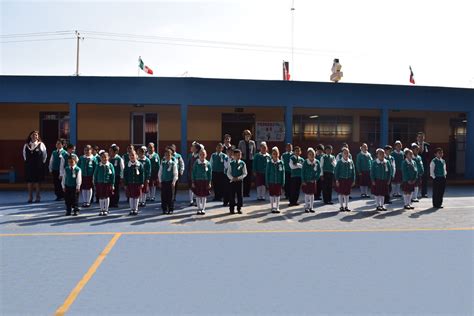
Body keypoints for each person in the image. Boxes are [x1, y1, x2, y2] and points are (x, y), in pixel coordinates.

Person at [23, 130, 47, 203]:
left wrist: (41, 163)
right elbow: (24, 155)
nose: (35, 136)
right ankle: (30, 197)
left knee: (37, 182)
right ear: (30, 136)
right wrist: (28, 163)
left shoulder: (41, 144)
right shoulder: (26, 145)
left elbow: (45, 155)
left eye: (36, 135)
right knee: (29, 182)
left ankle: (38, 197)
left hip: (38, 167)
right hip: (29, 166)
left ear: (38, 136)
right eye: (33, 135)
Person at [93, 151, 115, 216]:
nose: (104, 158)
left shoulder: (110, 165)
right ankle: (101, 209)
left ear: (108, 157)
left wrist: (112, 184)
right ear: (100, 158)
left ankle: (106, 209)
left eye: (105, 157)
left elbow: (112, 175)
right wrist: (95, 183)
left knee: (106, 196)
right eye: (102, 157)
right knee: (101, 197)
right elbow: (95, 174)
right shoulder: (98, 165)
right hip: (100, 183)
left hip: (107, 183)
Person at [123, 150, 144, 215]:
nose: (132, 156)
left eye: (133, 155)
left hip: (137, 183)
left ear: (136, 156)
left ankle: (136, 209)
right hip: (130, 183)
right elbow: (125, 175)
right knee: (131, 196)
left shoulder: (139, 164)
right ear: (129, 156)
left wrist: (142, 182)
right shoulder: (127, 165)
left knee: (136, 196)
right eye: (130, 155)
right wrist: (125, 183)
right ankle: (131, 209)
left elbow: (142, 174)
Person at [192, 149, 212, 215]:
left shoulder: (208, 163)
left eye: (203, 154)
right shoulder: (196, 163)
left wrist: (209, 182)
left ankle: (203, 209)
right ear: (198, 155)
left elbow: (210, 174)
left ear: (206, 155)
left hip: (205, 181)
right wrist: (193, 182)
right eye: (200, 154)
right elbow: (193, 173)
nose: (202, 155)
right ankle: (199, 208)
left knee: (204, 196)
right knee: (197, 195)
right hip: (197, 181)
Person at [226, 149, 248, 214]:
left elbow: (245, 173)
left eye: (240, 155)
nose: (238, 156)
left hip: (239, 181)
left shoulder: (242, 163)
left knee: (239, 195)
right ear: (234, 155)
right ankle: (231, 208)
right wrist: (232, 178)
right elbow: (228, 173)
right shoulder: (231, 163)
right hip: (232, 181)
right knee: (232, 195)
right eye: (237, 155)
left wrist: (239, 178)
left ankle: (239, 208)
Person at [334, 147, 356, 212]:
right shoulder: (339, 162)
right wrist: (337, 180)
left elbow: (353, 171)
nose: (346, 154)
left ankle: (346, 206)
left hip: (348, 180)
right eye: (344, 153)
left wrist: (353, 180)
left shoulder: (351, 162)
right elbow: (336, 172)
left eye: (347, 153)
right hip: (341, 180)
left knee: (347, 193)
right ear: (342, 154)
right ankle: (341, 206)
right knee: (340, 193)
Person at [158, 148, 178, 214]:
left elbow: (175, 173)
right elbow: (160, 173)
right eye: (166, 155)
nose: (167, 156)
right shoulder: (163, 163)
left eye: (169, 155)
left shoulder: (173, 164)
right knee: (163, 196)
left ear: (171, 156)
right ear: (164, 156)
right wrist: (160, 181)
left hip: (170, 182)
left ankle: (171, 209)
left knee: (170, 196)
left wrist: (174, 182)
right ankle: (164, 209)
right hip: (164, 182)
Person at [265, 146, 285, 213]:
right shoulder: (269, 163)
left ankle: (277, 207)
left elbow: (283, 173)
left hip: (278, 182)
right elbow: (267, 173)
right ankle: (272, 207)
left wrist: (283, 181)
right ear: (271, 155)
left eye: (276, 153)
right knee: (272, 195)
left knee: (278, 195)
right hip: (271, 181)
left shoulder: (281, 163)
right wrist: (267, 182)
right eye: (273, 154)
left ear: (278, 154)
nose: (275, 155)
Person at [302, 148, 321, 213]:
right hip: (306, 181)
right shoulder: (305, 162)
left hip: (313, 181)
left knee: (312, 194)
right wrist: (303, 180)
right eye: (310, 154)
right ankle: (306, 207)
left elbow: (319, 171)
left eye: (313, 154)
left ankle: (311, 207)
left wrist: (316, 178)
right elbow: (302, 172)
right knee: (307, 194)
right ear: (308, 155)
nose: (311, 155)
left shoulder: (317, 162)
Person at [237, 130, 256, 197]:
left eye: (249, 135)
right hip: (243, 161)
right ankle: (243, 192)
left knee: (249, 177)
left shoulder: (252, 143)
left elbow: (254, 152)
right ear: (244, 135)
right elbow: (238, 152)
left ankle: (247, 192)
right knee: (243, 176)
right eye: (246, 134)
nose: (247, 136)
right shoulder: (241, 142)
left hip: (250, 161)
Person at [416, 132, 430, 198]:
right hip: (416, 164)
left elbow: (429, 155)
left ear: (424, 138)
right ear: (417, 138)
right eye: (419, 137)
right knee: (415, 178)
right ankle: (414, 194)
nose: (420, 138)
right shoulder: (413, 145)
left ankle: (424, 193)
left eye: (422, 137)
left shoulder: (427, 145)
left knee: (425, 179)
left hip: (425, 164)